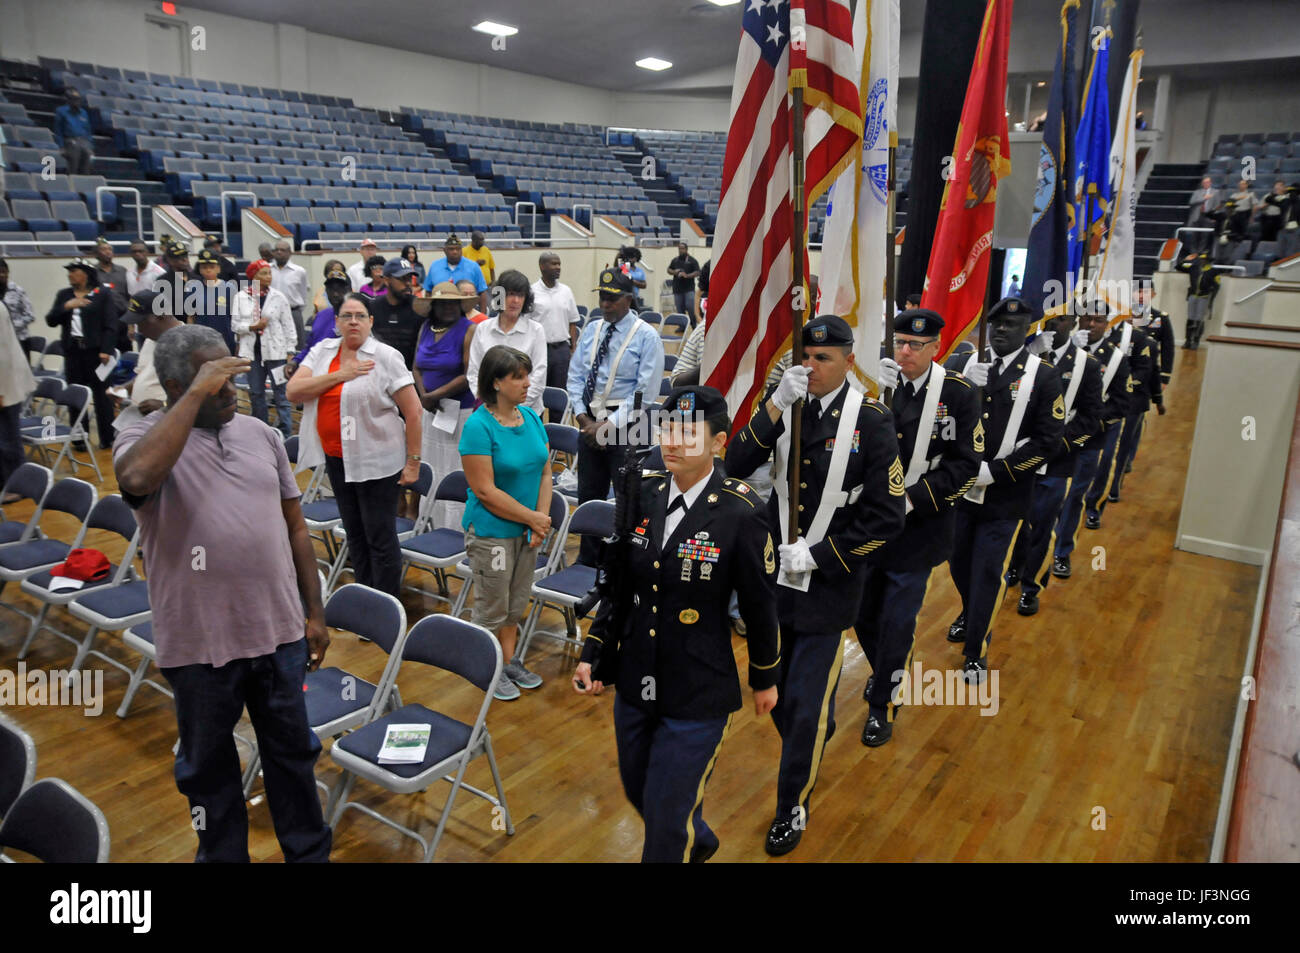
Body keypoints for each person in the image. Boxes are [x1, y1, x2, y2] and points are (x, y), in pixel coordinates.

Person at [113, 324, 332, 864]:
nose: (232, 390)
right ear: (174, 384)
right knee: (208, 774)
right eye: (215, 381)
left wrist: (315, 611)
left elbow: (296, 527)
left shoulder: (260, 434)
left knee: (293, 760)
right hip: (200, 646)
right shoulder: (141, 437)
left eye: (230, 376)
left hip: (278, 635)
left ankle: (309, 856)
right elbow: (137, 478)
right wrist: (193, 395)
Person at [574, 385, 781, 862]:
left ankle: (681, 838)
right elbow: (619, 585)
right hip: (636, 679)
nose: (672, 441)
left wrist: (766, 677)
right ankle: (698, 839)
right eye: (668, 429)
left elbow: (759, 604)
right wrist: (595, 650)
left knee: (665, 823)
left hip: (697, 690)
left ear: (718, 443)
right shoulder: (641, 490)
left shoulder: (741, 512)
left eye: (689, 433)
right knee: (640, 791)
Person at [725, 313, 906, 856]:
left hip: (829, 586)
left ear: (849, 360)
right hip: (774, 581)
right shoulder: (787, 405)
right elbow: (734, 463)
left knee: (802, 708)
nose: (812, 366)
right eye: (806, 356)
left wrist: (823, 555)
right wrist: (776, 403)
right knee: (775, 697)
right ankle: (811, 732)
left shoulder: (870, 420)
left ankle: (791, 806)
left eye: (823, 358)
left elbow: (887, 516)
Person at [855, 310, 980, 747]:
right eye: (900, 342)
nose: (904, 352)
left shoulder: (959, 394)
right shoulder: (877, 389)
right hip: (869, 525)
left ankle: (883, 703)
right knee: (863, 614)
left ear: (935, 349)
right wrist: (874, 394)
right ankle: (884, 670)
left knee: (897, 621)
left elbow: (966, 465)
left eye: (914, 346)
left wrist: (910, 499)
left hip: (920, 526)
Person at [944, 297, 1063, 684]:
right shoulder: (966, 367)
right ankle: (970, 611)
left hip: (1006, 496)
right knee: (958, 564)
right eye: (996, 325)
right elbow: (941, 420)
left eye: (1011, 326)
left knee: (988, 572)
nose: (1001, 331)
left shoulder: (1043, 376)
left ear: (1027, 329)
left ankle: (977, 648)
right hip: (961, 492)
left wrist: (996, 472)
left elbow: (1047, 441)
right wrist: (962, 388)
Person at [288, 294, 423, 595]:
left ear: (371, 321)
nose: (353, 321)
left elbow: (413, 411)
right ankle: (365, 600)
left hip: (378, 461)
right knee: (355, 534)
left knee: (379, 536)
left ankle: (386, 607)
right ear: (336, 322)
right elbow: (294, 391)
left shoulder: (385, 357)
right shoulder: (323, 351)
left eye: (360, 316)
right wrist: (340, 375)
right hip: (337, 458)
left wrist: (413, 461)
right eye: (346, 316)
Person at [458, 344, 552, 701]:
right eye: (518, 377)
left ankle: (508, 661)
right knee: (492, 606)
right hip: (492, 533)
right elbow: (484, 491)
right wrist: (533, 519)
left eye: (527, 375)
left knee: (515, 603)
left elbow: (545, 471)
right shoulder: (478, 426)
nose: (527, 383)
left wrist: (539, 521)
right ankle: (485, 667)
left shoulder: (529, 418)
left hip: (527, 530)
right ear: (496, 383)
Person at [1006, 310, 1102, 616]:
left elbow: (1090, 418)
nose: (1051, 324)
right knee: (1015, 525)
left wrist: (1056, 445)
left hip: (1055, 462)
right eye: (1046, 318)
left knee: (1042, 526)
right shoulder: (1019, 361)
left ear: (1074, 323)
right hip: (1016, 460)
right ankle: (1015, 568)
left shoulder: (1087, 365)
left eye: (1060, 319)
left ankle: (1032, 584)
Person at [566, 268, 665, 565]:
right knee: (588, 497)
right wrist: (584, 420)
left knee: (628, 504)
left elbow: (644, 395)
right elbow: (575, 377)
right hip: (589, 422)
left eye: (612, 299)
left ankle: (624, 568)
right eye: (602, 298)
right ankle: (589, 562)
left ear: (628, 299)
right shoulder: (593, 329)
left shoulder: (647, 336)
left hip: (628, 425)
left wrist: (607, 427)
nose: (605, 304)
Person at [1051, 299, 1130, 579]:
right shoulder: (1060, 351)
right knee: (1048, 499)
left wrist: (1089, 421)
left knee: (1074, 498)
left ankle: (1061, 551)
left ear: (1107, 325)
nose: (1091, 325)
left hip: (1090, 438)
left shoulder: (1117, 358)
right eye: (1086, 319)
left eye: (1098, 320)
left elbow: (1121, 403)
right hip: (1054, 439)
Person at [413, 281, 476, 528]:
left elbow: (468, 374)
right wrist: (423, 395)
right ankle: (432, 522)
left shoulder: (469, 329)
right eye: (443, 303)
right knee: (432, 465)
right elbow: (416, 366)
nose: (449, 307)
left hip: (458, 412)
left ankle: (454, 528)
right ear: (433, 306)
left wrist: (434, 395)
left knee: (453, 468)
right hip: (430, 411)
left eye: (453, 303)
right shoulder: (426, 327)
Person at [46, 257, 118, 449]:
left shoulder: (102, 294)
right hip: (73, 351)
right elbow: (51, 320)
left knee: (102, 397)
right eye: (68, 271)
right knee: (75, 395)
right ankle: (79, 439)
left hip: (96, 352)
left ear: (85, 274)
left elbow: (111, 325)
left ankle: (107, 437)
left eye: (74, 271)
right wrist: (66, 307)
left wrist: (106, 350)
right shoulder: (64, 295)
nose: (70, 275)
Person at [1100, 309, 1161, 505]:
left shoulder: (1138, 338)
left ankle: (1114, 484)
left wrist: (1121, 386)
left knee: (1118, 449)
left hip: (1129, 401)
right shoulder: (1094, 335)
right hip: (1098, 401)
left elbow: (1144, 370)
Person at [231, 259, 296, 439]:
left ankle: (285, 432)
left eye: (269, 273)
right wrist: (253, 326)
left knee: (281, 394)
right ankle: (261, 430)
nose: (268, 277)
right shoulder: (241, 297)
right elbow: (235, 325)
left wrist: (290, 350)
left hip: (276, 353)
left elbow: (288, 325)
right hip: (251, 354)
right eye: (264, 273)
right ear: (254, 276)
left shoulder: (279, 297)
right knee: (256, 393)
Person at [467, 270, 546, 416]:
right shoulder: (483, 329)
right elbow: (474, 374)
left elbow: (538, 378)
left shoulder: (536, 330)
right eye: (510, 294)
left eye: (520, 295)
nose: (516, 300)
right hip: (490, 412)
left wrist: (510, 408)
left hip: (526, 412)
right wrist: (492, 405)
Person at [114, 288, 181, 431]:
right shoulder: (151, 339)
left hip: (170, 423)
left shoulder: (188, 343)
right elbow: (143, 373)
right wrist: (125, 388)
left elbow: (200, 390)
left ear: (161, 316)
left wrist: (164, 405)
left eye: (141, 322)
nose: (139, 329)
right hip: (142, 420)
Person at [0, 295, 36, 488]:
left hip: (6, 383)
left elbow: (2, 355)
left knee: (9, 440)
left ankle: (17, 487)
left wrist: (1, 391)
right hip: (4, 382)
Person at [531, 251, 581, 389]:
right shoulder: (531, 292)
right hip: (539, 350)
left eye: (559, 264)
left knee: (560, 391)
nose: (558, 267)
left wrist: (572, 347)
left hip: (561, 350)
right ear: (542, 266)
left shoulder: (566, 291)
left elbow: (573, 321)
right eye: (553, 264)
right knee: (537, 392)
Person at [368, 258, 427, 370]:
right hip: (379, 372)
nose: (408, 283)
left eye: (409, 278)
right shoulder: (373, 306)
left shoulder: (419, 307)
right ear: (386, 280)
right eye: (402, 279)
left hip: (411, 373)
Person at [291, 266, 349, 373]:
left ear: (347, 291)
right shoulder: (321, 315)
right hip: (315, 370)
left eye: (339, 289)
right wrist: (295, 361)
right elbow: (310, 347)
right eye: (331, 290)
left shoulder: (353, 317)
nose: (335, 294)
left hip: (339, 371)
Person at [188, 249, 237, 356]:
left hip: (226, 339)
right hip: (202, 340)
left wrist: (238, 341)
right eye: (204, 267)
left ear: (218, 269)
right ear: (200, 269)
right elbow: (191, 317)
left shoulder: (229, 288)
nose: (208, 270)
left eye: (212, 267)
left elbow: (236, 316)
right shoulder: (193, 288)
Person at [422, 234, 488, 312]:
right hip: (441, 312)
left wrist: (483, 316)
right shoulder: (435, 266)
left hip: (468, 312)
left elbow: (482, 292)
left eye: (458, 249)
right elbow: (428, 291)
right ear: (445, 250)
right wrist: (428, 312)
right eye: (451, 249)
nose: (455, 252)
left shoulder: (473, 266)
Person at [270, 240, 310, 351]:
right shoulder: (267, 269)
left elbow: (303, 294)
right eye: (276, 250)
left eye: (282, 250)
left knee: (297, 347)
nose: (279, 252)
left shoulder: (299, 271)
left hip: (293, 312)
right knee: (274, 347)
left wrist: (297, 311)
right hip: (271, 313)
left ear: (289, 253)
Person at [1176, 251, 1220, 351]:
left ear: (1208, 261)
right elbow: (1179, 267)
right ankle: (1188, 340)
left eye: (1204, 259)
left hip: (1203, 297)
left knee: (1199, 320)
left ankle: (1196, 341)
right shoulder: (1193, 267)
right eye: (1201, 259)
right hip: (1192, 296)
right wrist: (1186, 260)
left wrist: (1211, 300)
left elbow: (1217, 286)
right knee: (1190, 318)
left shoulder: (1214, 272)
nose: (1202, 261)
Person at [0, 259, 37, 362]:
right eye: (0, 272)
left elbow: (30, 315)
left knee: (22, 374)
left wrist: (12, 325)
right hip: (2, 342)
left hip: (19, 339)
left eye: (4, 271)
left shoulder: (17, 290)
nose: (2, 275)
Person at [53, 87, 94, 176]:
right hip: (69, 141)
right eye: (74, 99)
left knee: (87, 157)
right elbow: (58, 131)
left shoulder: (83, 113)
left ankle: (85, 182)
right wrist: (61, 147)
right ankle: (72, 180)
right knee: (75, 154)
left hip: (83, 141)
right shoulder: (61, 111)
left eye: (78, 99)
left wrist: (90, 146)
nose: (77, 101)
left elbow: (88, 131)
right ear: (69, 100)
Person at [92, 236, 129, 322]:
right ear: (96, 254)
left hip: (121, 315)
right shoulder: (92, 272)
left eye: (110, 249)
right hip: (99, 316)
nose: (108, 252)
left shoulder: (122, 270)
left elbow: (129, 295)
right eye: (103, 249)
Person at [667, 242, 701, 324]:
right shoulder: (675, 260)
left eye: (682, 248)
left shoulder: (692, 260)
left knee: (690, 307)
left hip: (689, 289)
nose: (680, 250)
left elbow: (697, 272)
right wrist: (674, 272)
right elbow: (668, 269)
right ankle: (682, 326)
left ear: (686, 249)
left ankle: (693, 325)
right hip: (677, 289)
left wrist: (687, 275)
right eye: (679, 249)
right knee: (679, 308)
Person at [1187, 176, 1221, 254]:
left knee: (1205, 236)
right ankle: (1193, 252)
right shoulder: (1197, 192)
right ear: (1202, 184)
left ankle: (1201, 252)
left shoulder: (1215, 192)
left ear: (1210, 183)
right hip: (1197, 216)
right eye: (1204, 182)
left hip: (1208, 215)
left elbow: (1217, 205)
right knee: (1194, 235)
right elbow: (1191, 202)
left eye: (1208, 182)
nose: (1206, 184)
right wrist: (1204, 198)